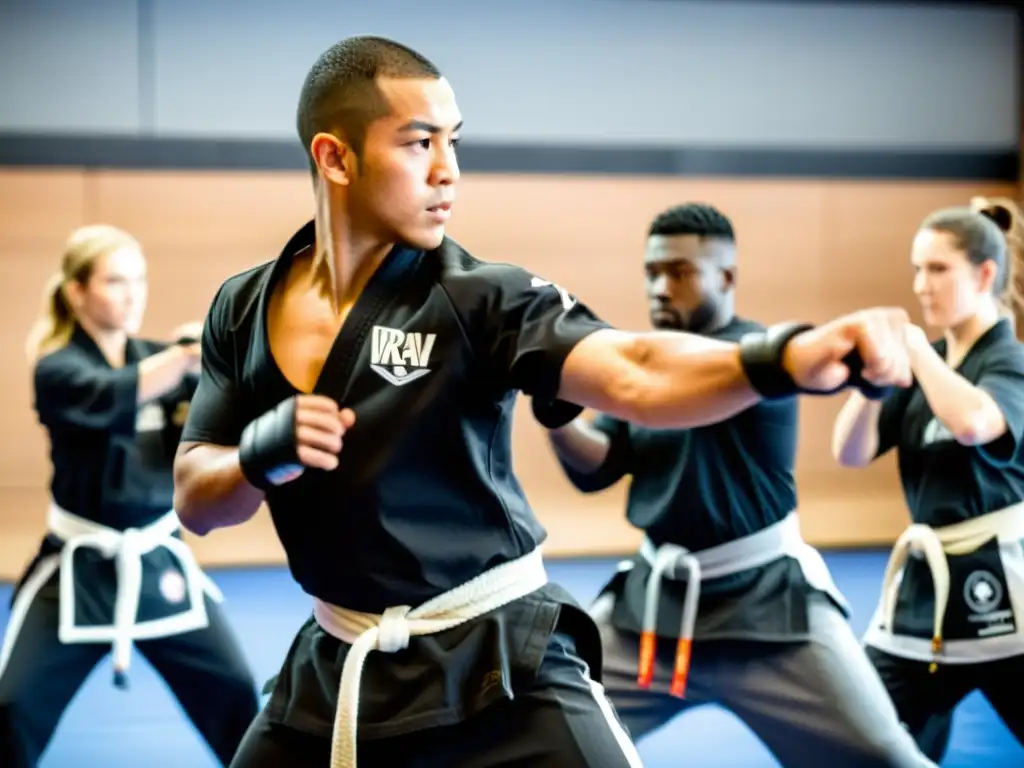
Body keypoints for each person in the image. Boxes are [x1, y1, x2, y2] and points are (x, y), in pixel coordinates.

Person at [173, 35, 918, 768]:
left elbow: (637, 367)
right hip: (339, 667)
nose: (449, 173)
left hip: (500, 663)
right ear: (335, 157)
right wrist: (259, 457)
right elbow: (198, 502)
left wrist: (783, 357)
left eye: (454, 143)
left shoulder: (480, 296)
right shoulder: (242, 308)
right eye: (418, 144)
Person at [544, 202, 936, 767]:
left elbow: (789, 360)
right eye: (652, 273)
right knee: (547, 740)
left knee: (888, 758)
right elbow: (597, 468)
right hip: (654, 612)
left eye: (678, 273)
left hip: (769, 611)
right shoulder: (644, 367)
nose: (659, 287)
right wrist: (555, 415)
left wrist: (856, 362)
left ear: (726, 277)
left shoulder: (752, 357)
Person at [0, 224, 260, 767]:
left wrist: (214, 360)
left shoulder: (166, 359)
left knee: (237, 692)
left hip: (157, 561)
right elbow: (119, 390)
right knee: (12, 705)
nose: (133, 293)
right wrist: (189, 355)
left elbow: (220, 409)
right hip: (81, 569)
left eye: (138, 280)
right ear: (77, 292)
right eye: (116, 281)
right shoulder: (58, 369)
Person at [832, 196, 1024, 762]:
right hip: (926, 597)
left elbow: (974, 424)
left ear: (985, 274)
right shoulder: (926, 366)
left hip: (1007, 594)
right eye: (916, 268)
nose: (920, 284)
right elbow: (849, 452)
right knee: (867, 738)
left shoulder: (1008, 360)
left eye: (937, 268)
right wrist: (869, 388)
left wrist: (915, 347)